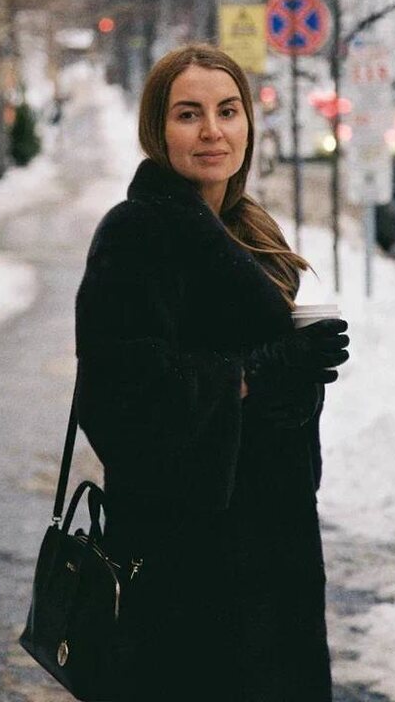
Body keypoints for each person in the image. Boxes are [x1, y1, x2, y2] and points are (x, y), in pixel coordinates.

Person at [74, 44, 350, 702]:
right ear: (157, 129)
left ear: (249, 124)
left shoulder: (249, 229)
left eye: (228, 111)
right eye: (188, 114)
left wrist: (299, 378)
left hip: (275, 560)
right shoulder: (136, 233)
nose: (211, 131)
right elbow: (115, 397)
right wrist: (256, 373)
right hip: (188, 572)